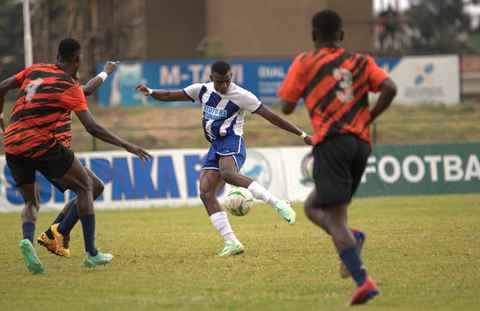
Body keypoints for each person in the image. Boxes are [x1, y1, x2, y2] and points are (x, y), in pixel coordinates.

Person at [0, 38, 152, 274]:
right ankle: (88, 252)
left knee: (32, 201)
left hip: (11, 143)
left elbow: (2, 87)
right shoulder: (68, 87)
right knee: (88, 186)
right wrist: (126, 145)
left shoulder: (36, 69)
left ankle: (32, 240)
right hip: (43, 146)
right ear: (78, 59)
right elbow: (91, 125)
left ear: (57, 55)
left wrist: (1, 116)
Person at [277, 10, 397, 306]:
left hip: (331, 143)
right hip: (360, 146)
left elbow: (287, 106)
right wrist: (366, 119)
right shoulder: (362, 61)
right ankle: (352, 237)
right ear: (342, 36)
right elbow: (390, 88)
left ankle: (363, 281)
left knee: (334, 217)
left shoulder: (306, 62)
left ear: (313, 36)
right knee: (312, 206)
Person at [133, 60, 313, 256]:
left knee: (228, 173)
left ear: (231, 77)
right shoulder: (202, 90)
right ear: (212, 79)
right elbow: (168, 95)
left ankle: (278, 204)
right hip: (215, 146)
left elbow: (272, 117)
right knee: (206, 193)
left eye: (227, 81)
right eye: (220, 82)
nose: (224, 85)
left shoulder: (242, 96)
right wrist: (150, 92)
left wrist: (303, 135)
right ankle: (232, 242)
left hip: (232, 141)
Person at [36, 61, 120, 258]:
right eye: (77, 73)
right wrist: (106, 72)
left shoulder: (64, 90)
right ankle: (61, 233)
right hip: (54, 155)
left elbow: (86, 89)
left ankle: (51, 234)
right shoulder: (62, 89)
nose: (79, 78)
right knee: (93, 187)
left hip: (61, 154)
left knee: (89, 189)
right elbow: (89, 89)